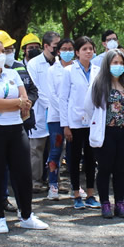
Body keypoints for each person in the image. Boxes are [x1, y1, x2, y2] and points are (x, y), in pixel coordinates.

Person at [0, 38, 48, 233]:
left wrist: (18, 104)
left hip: (15, 128)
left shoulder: (13, 73)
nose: (1, 54)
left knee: (23, 174)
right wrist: (17, 104)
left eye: (3, 51)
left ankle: (26, 215)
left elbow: (26, 99)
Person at [86, 50, 124, 218]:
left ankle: (119, 203)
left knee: (120, 170)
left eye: (120, 63)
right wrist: (98, 123)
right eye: (114, 63)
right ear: (107, 65)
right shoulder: (99, 84)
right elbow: (88, 108)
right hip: (107, 132)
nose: (117, 66)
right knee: (104, 169)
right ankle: (105, 203)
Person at [59, 36, 101, 210]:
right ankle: (76, 194)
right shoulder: (69, 71)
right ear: (77, 52)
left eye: (91, 48)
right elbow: (63, 99)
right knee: (74, 159)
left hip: (92, 122)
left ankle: (91, 194)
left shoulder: (98, 71)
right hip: (74, 122)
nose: (88, 51)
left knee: (91, 160)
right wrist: (65, 125)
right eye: (84, 49)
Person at [45, 38, 75, 199]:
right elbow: (53, 95)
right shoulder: (52, 70)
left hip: (75, 118)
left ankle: (74, 186)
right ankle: (53, 185)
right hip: (56, 117)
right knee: (56, 150)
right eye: (64, 48)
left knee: (73, 152)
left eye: (71, 48)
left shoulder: (77, 68)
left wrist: (72, 113)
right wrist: (65, 114)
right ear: (58, 51)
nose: (67, 51)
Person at [24, 32, 55, 192]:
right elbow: (35, 89)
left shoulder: (60, 64)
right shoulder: (34, 64)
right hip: (40, 111)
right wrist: (50, 105)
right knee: (37, 148)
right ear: (46, 46)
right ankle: (35, 181)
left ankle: (53, 180)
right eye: (55, 47)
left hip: (57, 114)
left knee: (56, 148)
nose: (58, 51)